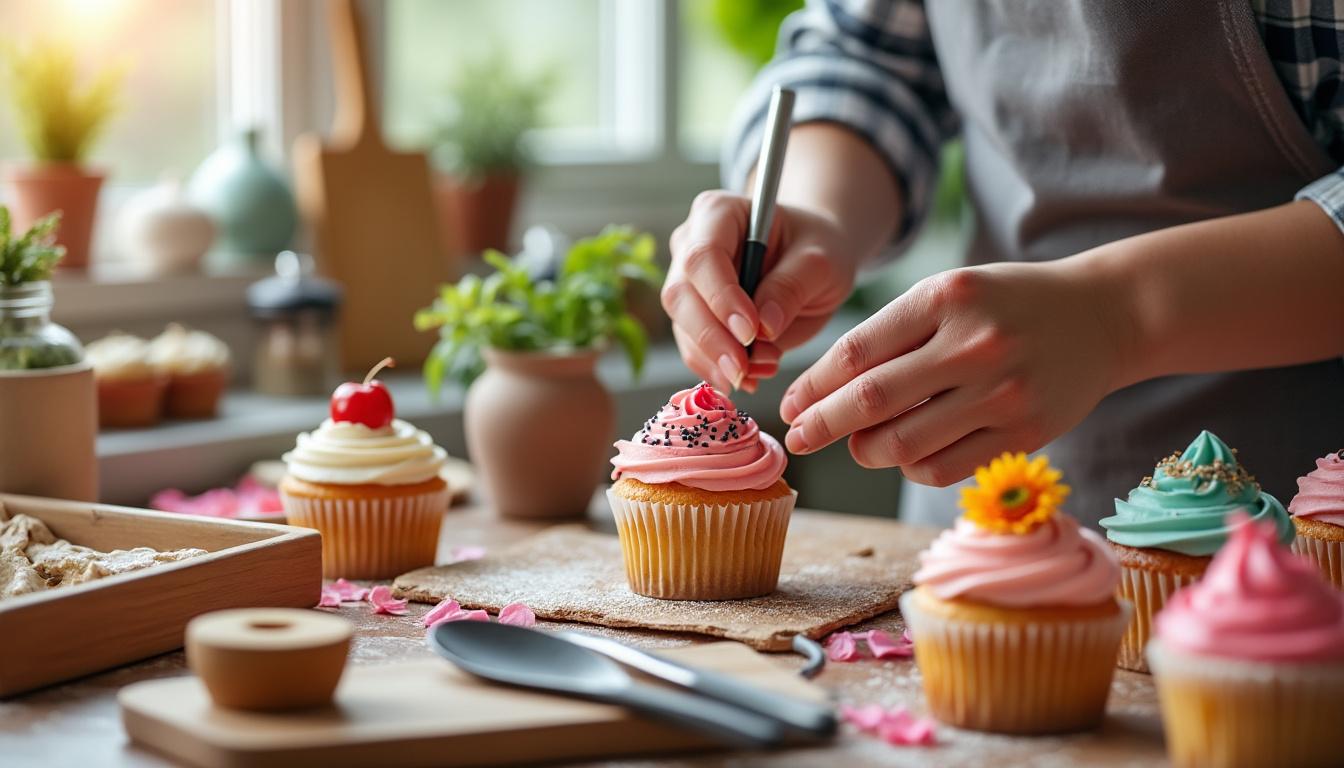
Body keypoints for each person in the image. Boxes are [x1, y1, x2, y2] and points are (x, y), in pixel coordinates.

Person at [661, 0, 1344, 527]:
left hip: (1303, 517)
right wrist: (817, 212)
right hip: (979, 511)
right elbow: (868, 56)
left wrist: (1116, 317)